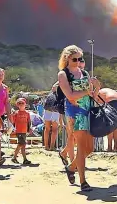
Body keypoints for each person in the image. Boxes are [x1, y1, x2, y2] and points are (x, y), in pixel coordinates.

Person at [57, 45, 97, 190]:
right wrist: (87, 91)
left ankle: (71, 167)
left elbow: (92, 95)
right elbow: (70, 96)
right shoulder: (63, 74)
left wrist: (96, 88)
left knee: (90, 148)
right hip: (74, 112)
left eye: (80, 58)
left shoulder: (84, 73)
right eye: (75, 59)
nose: (78, 61)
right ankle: (83, 181)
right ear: (67, 58)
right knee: (80, 147)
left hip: (87, 110)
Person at [11, 98, 32, 164]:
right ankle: (15, 157)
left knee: (22, 145)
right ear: (17, 105)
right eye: (19, 103)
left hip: (24, 131)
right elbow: (12, 121)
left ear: (25, 104)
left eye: (22, 103)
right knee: (21, 144)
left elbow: (29, 122)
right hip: (19, 131)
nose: (21, 104)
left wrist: (29, 129)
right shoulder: (16, 113)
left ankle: (23, 159)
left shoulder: (27, 113)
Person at [98, 87, 117, 152]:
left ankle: (109, 147)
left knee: (110, 126)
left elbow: (98, 102)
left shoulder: (98, 92)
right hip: (115, 101)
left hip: (111, 102)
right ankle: (116, 147)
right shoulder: (108, 90)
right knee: (115, 126)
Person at [43, 83, 60, 151]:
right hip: (55, 110)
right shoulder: (60, 90)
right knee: (54, 129)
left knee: (47, 129)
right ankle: (51, 146)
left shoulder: (52, 92)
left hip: (48, 110)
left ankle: (47, 146)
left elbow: (54, 86)